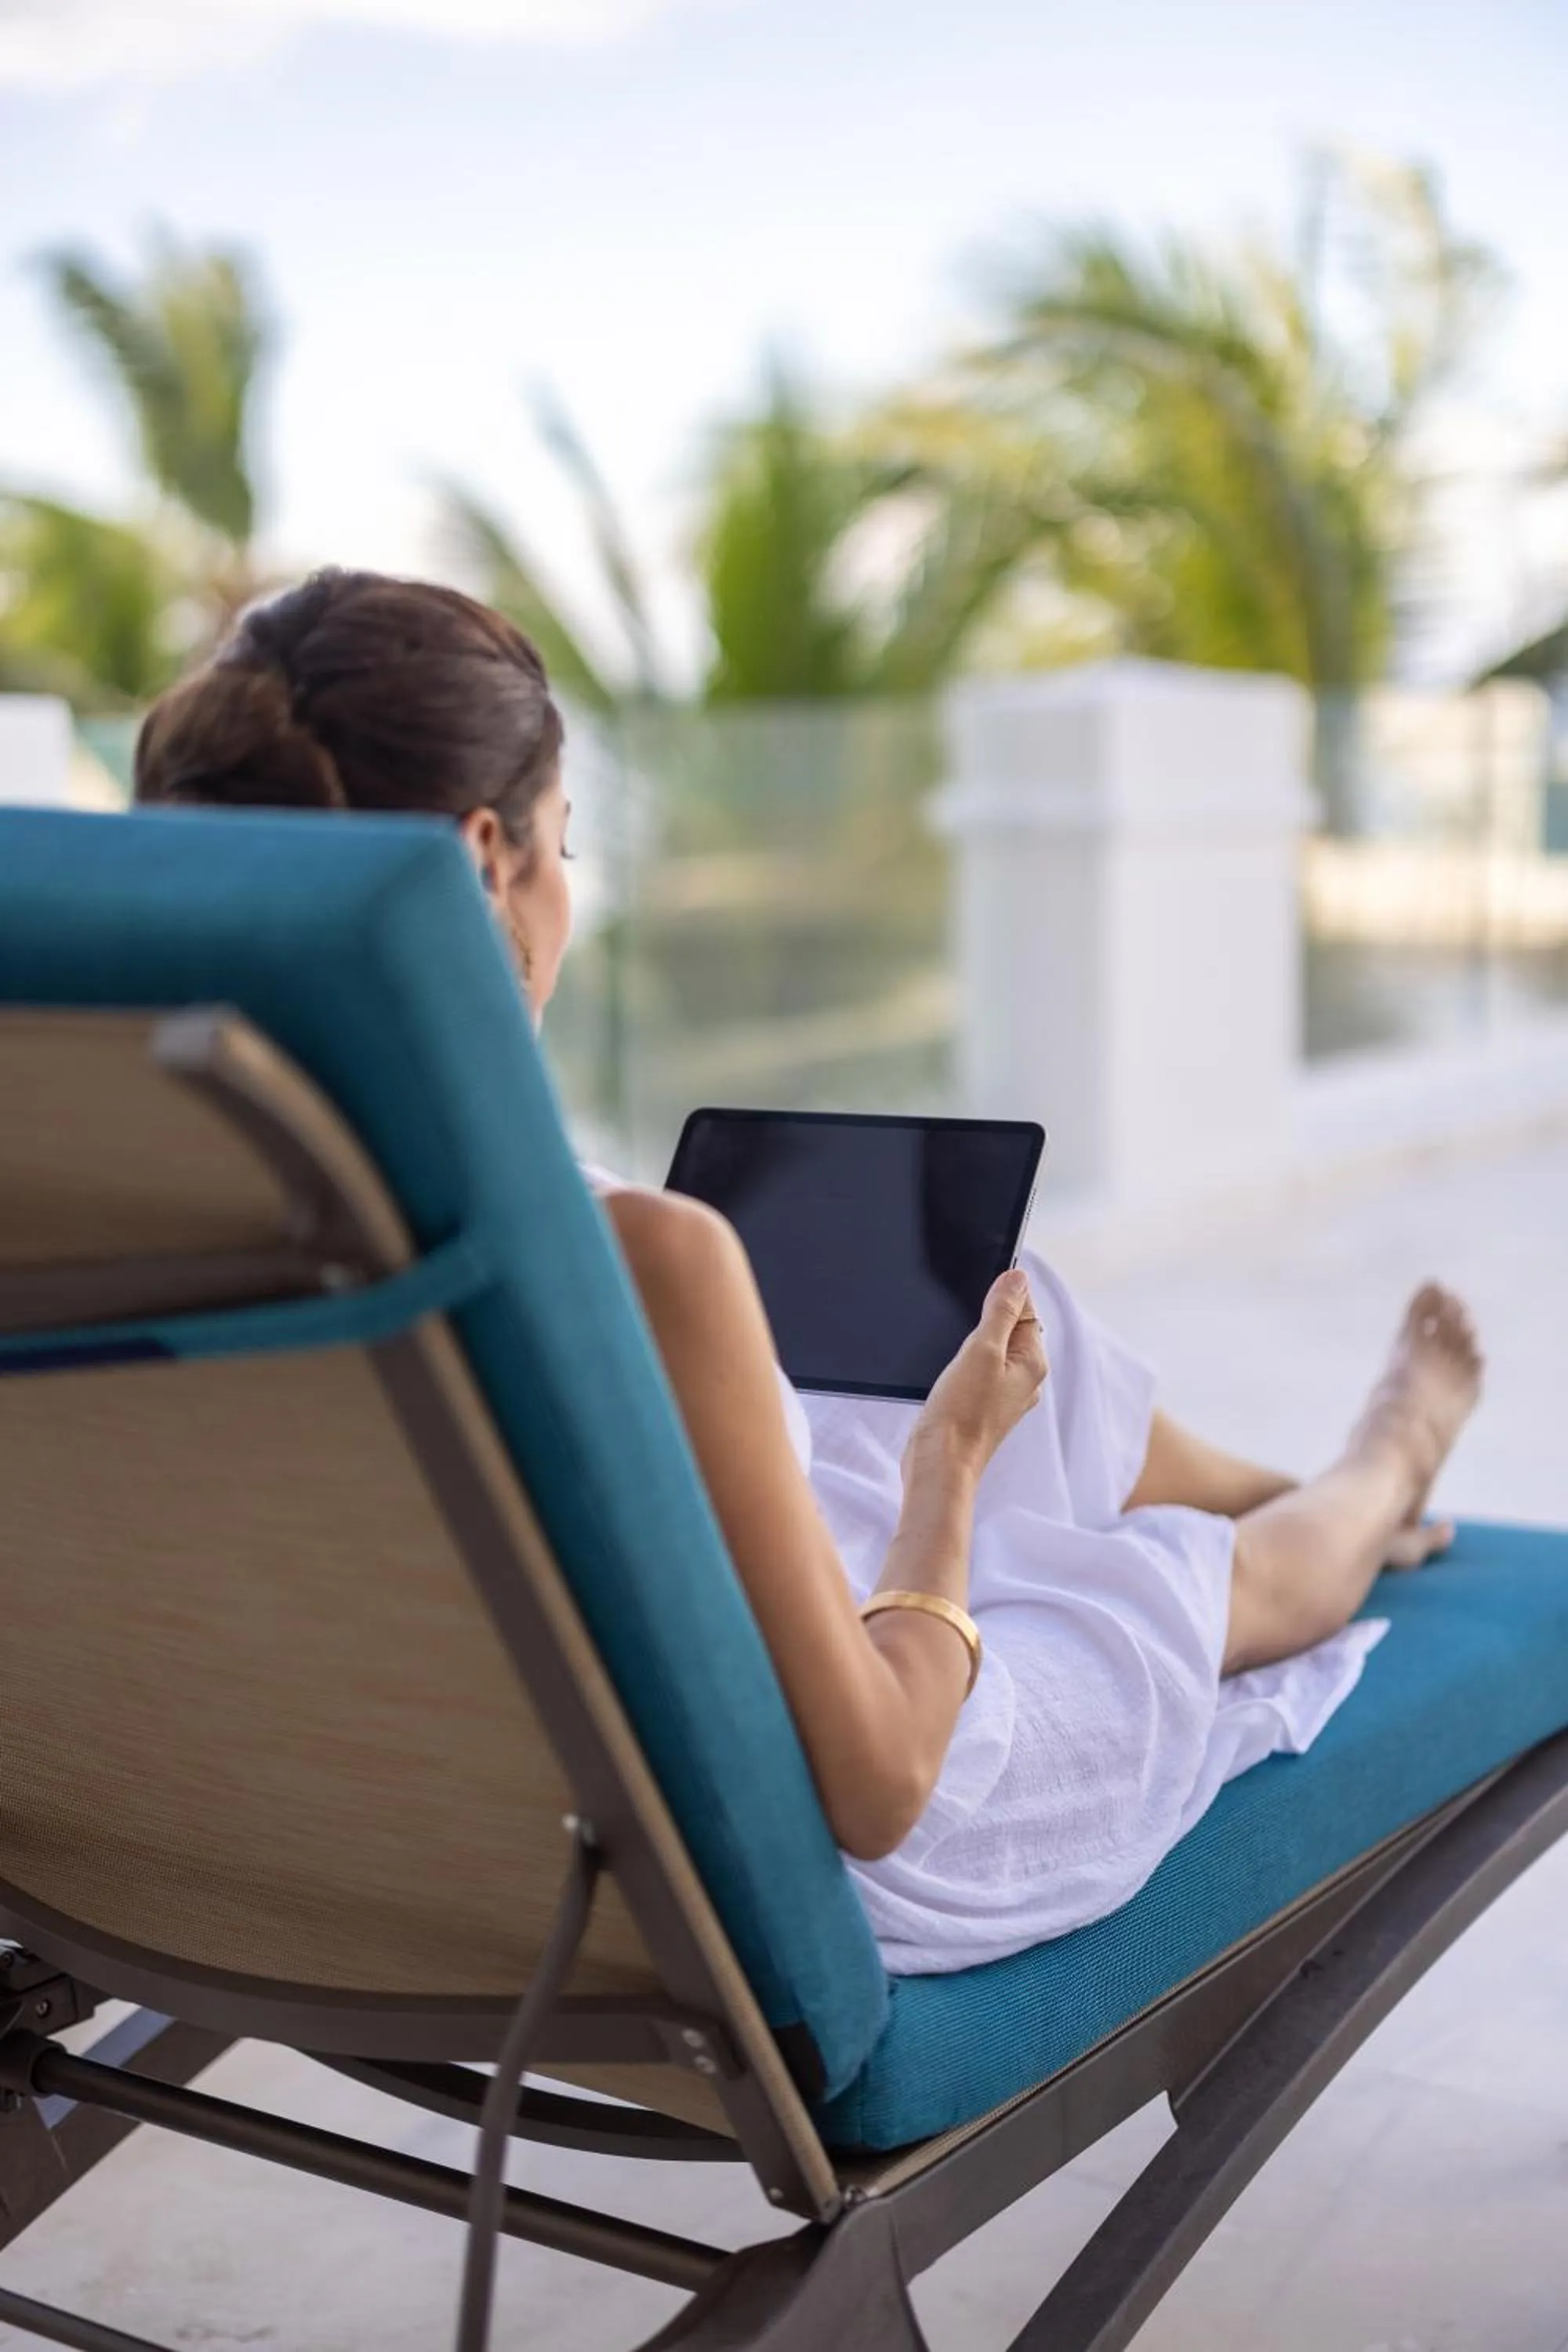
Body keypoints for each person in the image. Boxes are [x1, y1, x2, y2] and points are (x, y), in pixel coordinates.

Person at [135, 569, 1484, 1974]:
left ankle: (1254, 1486)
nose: (567, 892)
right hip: (797, 1852)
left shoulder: (134, 1225)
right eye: (566, 847)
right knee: (1173, 1582)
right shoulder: (641, 1260)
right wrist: (954, 1468)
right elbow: (882, 1785)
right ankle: (1376, 1472)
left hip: (380, 1814)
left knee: (977, 1314)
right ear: (485, 861)